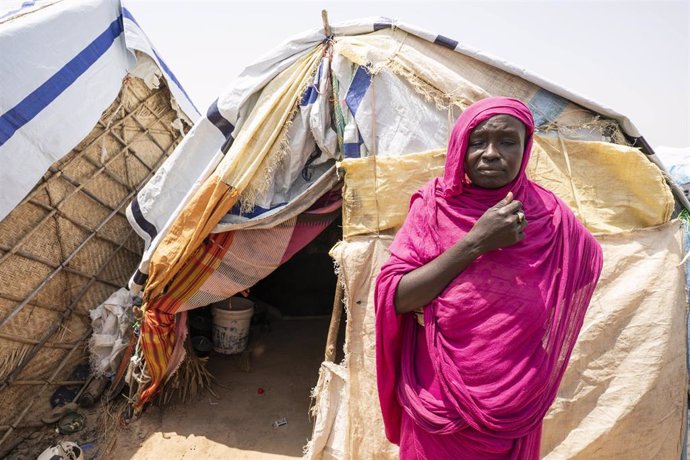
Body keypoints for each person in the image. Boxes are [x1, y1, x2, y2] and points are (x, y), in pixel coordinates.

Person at [374, 97, 603, 459]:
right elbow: (397, 296)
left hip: (516, 396)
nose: (491, 153)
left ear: (527, 148)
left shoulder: (550, 216)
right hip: (437, 394)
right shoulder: (435, 207)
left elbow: (585, 264)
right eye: (478, 141)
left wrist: (525, 314)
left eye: (507, 141)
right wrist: (476, 242)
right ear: (460, 147)